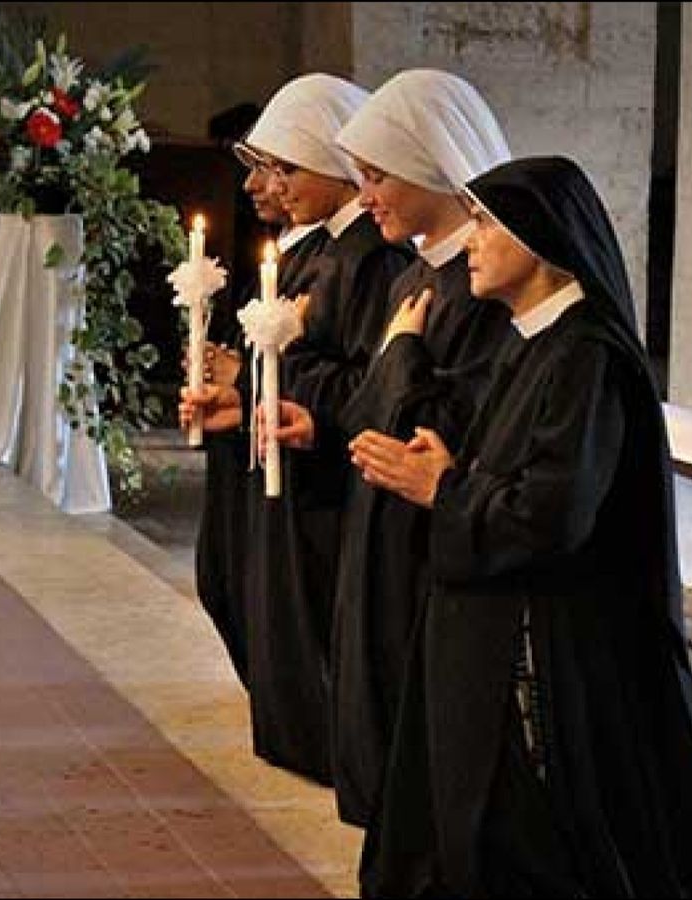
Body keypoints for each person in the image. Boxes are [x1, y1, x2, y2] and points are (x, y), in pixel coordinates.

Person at [349, 156, 692, 899]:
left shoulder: (587, 356)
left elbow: (554, 514)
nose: (471, 241)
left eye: (485, 223)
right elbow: (513, 471)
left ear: (539, 240)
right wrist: (452, 467)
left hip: (559, 644)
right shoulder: (535, 339)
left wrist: (445, 489)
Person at [273, 68, 513, 827]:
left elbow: (460, 420)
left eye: (377, 177)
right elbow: (374, 404)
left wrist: (403, 352)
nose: (365, 193)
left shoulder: (484, 283)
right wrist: (327, 420)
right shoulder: (417, 272)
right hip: (378, 520)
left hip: (426, 535)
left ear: (433, 168)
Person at [192, 72, 412, 785]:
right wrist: (238, 391)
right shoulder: (316, 252)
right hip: (288, 464)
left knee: (314, 623)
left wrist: (260, 379)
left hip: (328, 481)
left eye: (286, 168)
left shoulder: (374, 260)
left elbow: (373, 382)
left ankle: (329, 747)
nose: (273, 186)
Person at [184, 123, 328, 690]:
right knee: (226, 585)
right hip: (247, 453)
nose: (257, 185)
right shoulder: (288, 254)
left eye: (277, 168)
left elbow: (341, 373)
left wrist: (244, 380)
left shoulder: (355, 262)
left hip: (300, 471)